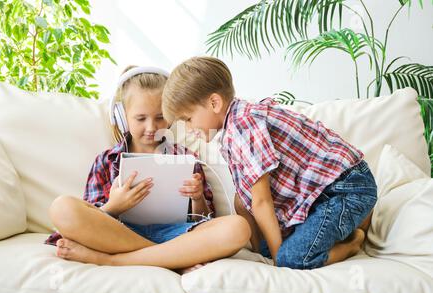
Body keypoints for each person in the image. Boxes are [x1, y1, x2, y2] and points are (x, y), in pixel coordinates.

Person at [161, 56, 378, 269]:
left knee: (290, 259)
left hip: (346, 189)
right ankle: (277, 250)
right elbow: (250, 198)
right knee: (241, 201)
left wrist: (279, 261)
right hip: (321, 195)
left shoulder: (243, 127)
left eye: (188, 119)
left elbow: (262, 201)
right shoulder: (235, 123)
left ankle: (353, 241)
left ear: (214, 103)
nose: (188, 128)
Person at [45, 65, 251, 273]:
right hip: (119, 235)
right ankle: (173, 260)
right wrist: (113, 207)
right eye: (141, 118)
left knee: (238, 227)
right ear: (122, 116)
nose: (152, 127)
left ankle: (110, 261)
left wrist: (198, 199)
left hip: (177, 235)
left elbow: (206, 220)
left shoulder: (185, 158)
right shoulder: (106, 160)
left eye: (160, 117)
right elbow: (89, 217)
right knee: (62, 207)